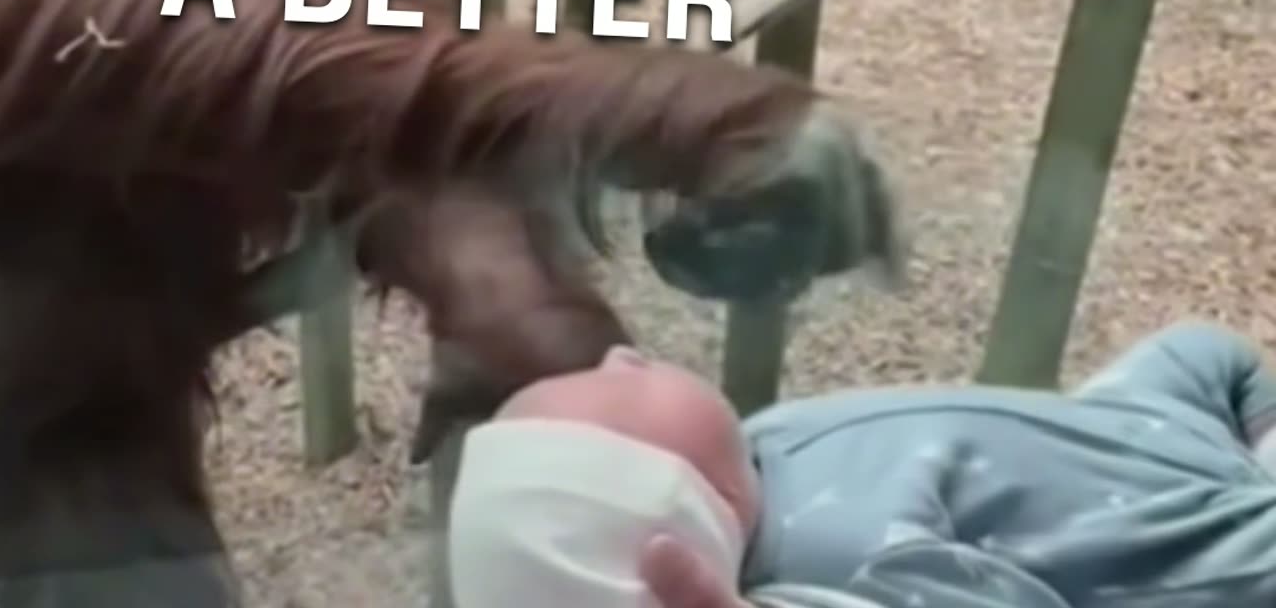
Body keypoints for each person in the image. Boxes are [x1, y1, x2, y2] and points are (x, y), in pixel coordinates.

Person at [448, 321, 1276, 608]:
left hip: (1113, 431)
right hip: (1180, 543)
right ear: (681, 510)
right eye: (609, 388)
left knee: (1201, 354)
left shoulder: (759, 456)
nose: (621, 355)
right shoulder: (841, 561)